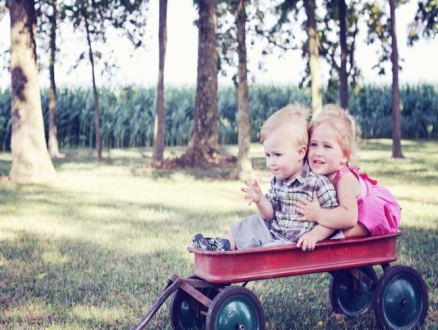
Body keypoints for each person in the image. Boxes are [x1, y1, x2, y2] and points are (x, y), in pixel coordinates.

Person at [192, 103, 340, 252]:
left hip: (294, 243)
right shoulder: (278, 179)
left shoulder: (317, 183)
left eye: (277, 155)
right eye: (268, 155)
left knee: (266, 250)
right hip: (274, 232)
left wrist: (315, 235)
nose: (271, 163)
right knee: (253, 222)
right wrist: (260, 199)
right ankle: (223, 245)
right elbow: (270, 215)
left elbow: (333, 219)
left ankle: (239, 261)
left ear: (300, 152)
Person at [294, 104, 401, 237]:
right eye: (314, 144)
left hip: (369, 214)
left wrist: (317, 214)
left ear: (344, 156)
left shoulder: (345, 180)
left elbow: (349, 217)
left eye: (327, 146)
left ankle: (337, 239)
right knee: (328, 225)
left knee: (343, 230)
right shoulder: (316, 171)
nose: (318, 152)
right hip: (345, 213)